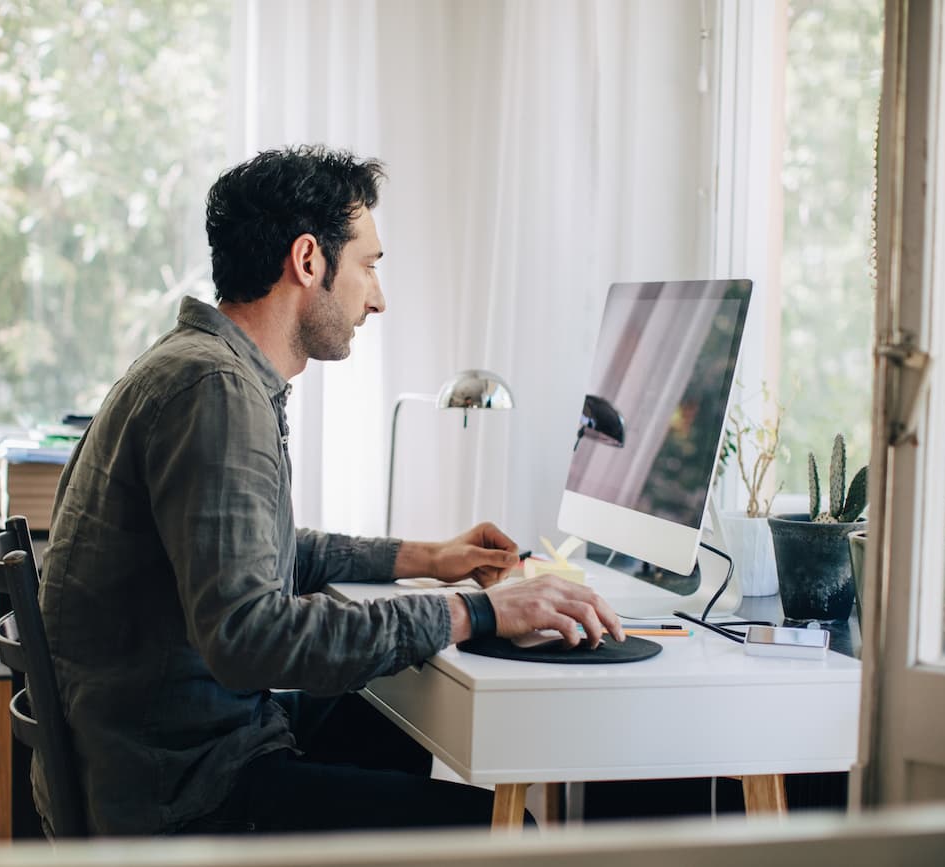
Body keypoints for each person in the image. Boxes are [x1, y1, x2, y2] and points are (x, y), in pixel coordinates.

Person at [38, 144, 624, 837]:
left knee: (397, 720)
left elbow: (268, 553)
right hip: (186, 792)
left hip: (165, 751)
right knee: (507, 832)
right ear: (309, 260)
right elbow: (249, 635)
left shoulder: (199, 367)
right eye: (370, 265)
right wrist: (477, 611)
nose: (377, 297)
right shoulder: (216, 391)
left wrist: (426, 557)